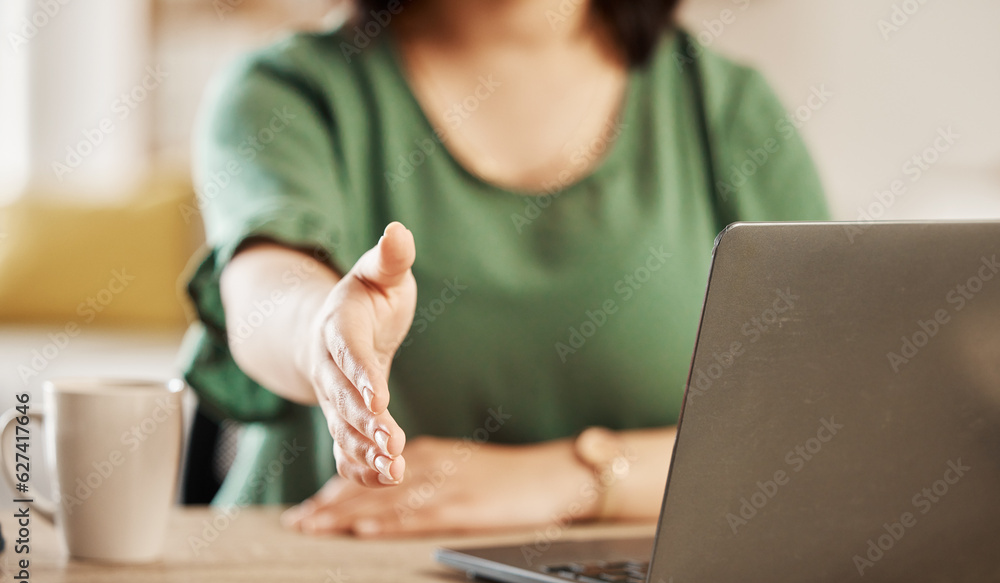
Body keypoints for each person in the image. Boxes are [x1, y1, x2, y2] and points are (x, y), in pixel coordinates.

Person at [181, 0, 829, 537]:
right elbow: (263, 284)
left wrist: (573, 478)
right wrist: (319, 330)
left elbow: (824, 429)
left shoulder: (728, 109)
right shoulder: (283, 89)